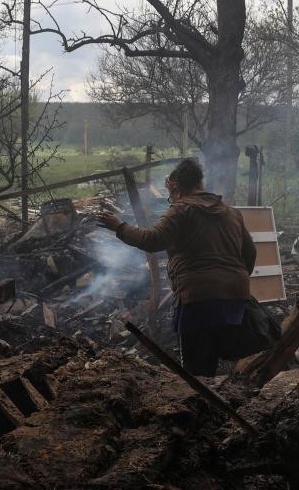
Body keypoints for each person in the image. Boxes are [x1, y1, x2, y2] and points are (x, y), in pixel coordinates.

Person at [97, 158, 258, 377]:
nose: (170, 198)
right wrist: (232, 282)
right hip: (236, 297)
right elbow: (250, 254)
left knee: (196, 371)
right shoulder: (231, 212)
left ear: (175, 186)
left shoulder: (182, 210)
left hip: (198, 298)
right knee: (227, 361)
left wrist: (119, 227)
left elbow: (153, 239)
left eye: (170, 192)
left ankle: (202, 404)